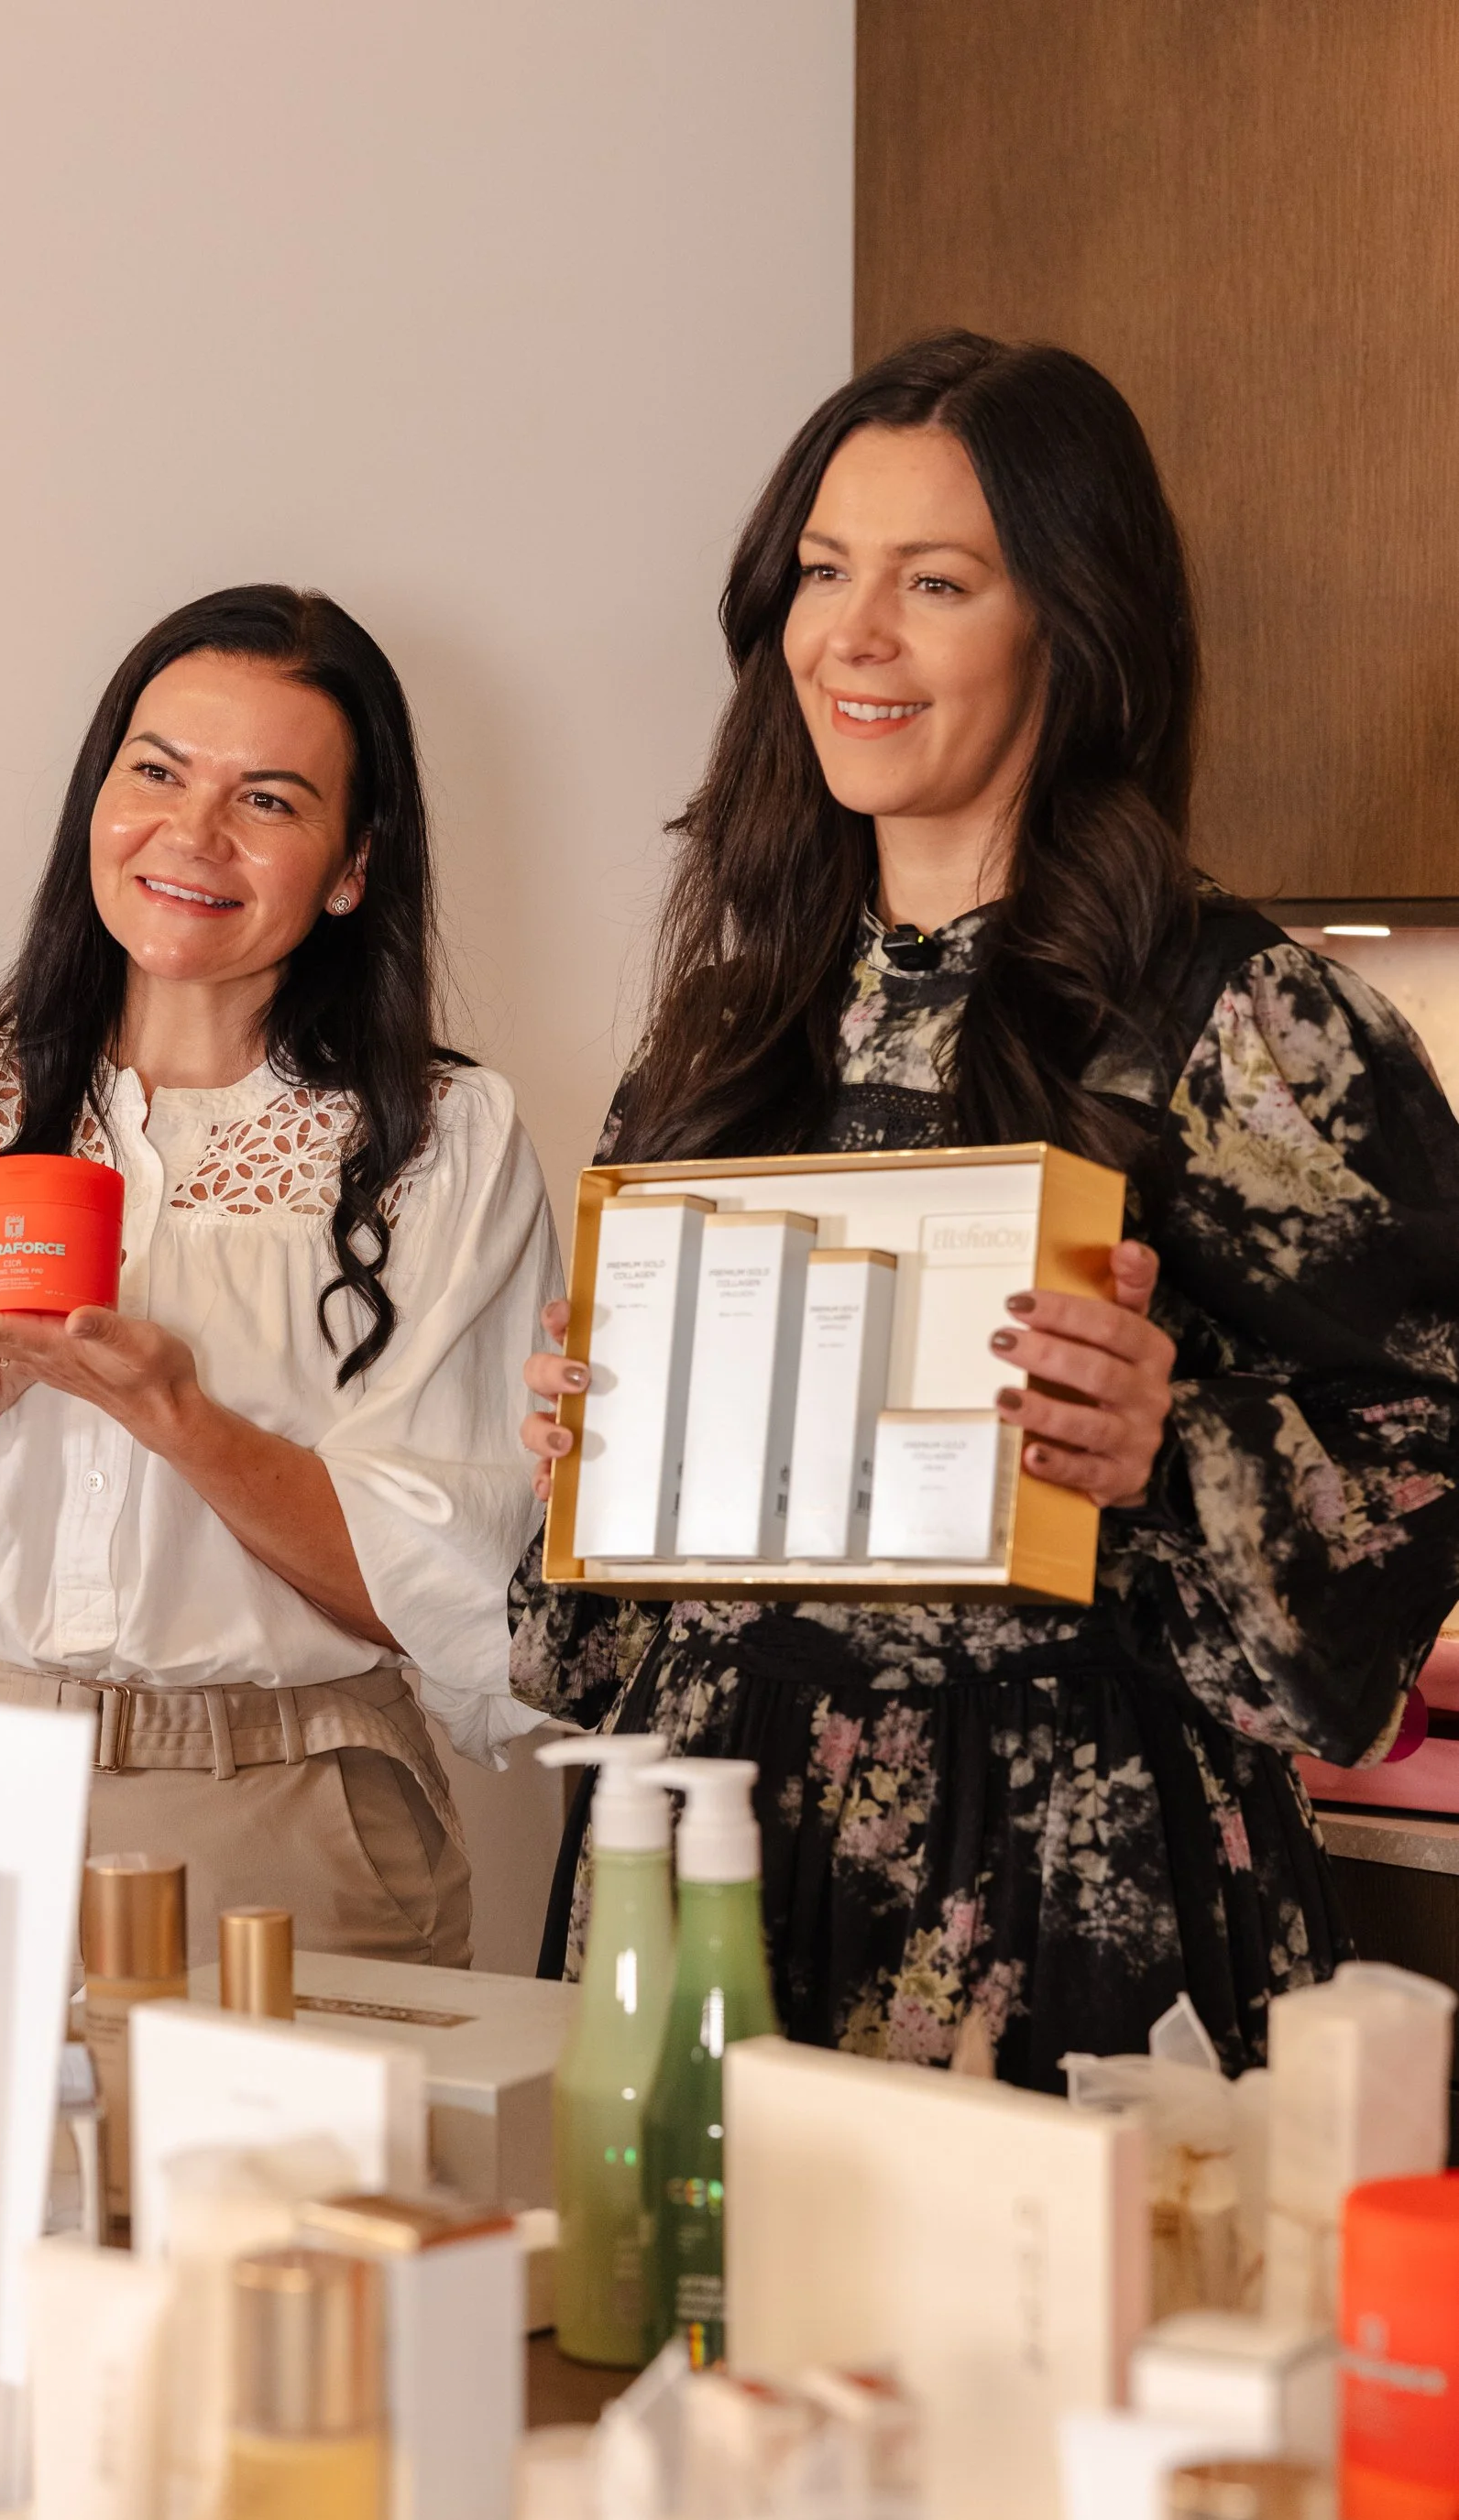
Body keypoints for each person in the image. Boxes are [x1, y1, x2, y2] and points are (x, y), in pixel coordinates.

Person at [512, 330, 1459, 2085]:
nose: (851, 636)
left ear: (1070, 627)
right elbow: (592, 1619)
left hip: (1054, 1893)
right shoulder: (732, 1028)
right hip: (705, 1869)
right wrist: (588, 1441)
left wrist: (1169, 1443)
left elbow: (1426, 1429)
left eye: (933, 582)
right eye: (821, 571)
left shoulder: (1245, 1020)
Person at [0, 585, 559, 1966]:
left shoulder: (444, 1144)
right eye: (155, 772)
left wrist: (185, 1424)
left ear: (351, 866)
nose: (192, 835)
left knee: (304, 2190)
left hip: (292, 1814)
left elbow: (461, 1589)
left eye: (269, 799)